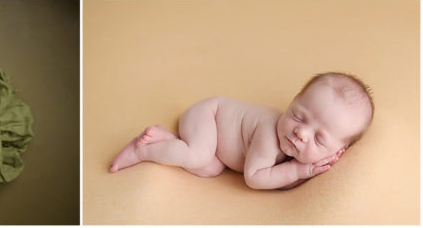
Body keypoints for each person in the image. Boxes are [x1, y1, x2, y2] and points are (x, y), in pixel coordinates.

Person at [109, 72, 374, 190]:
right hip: (208, 116)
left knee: (210, 168)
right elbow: (255, 177)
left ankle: (170, 141)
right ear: (294, 100)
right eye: (297, 115)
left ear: (339, 151)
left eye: (318, 138)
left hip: (219, 150)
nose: (301, 133)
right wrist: (299, 170)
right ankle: (143, 150)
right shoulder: (270, 135)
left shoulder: (296, 142)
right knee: (199, 157)